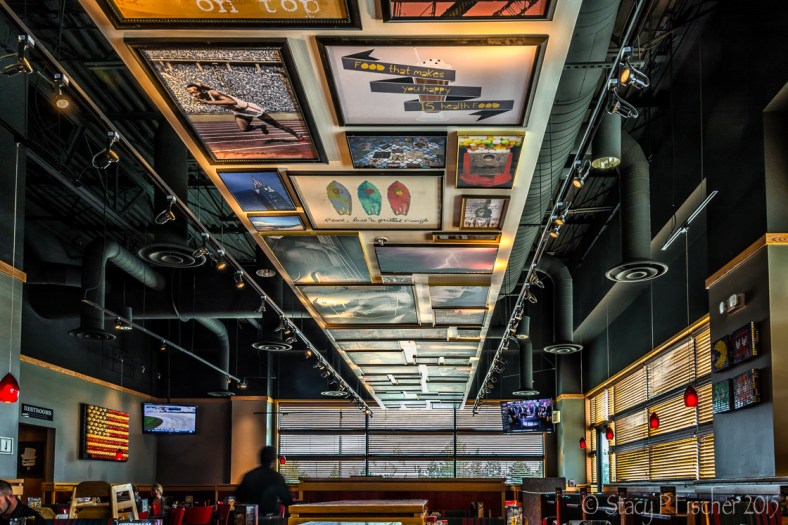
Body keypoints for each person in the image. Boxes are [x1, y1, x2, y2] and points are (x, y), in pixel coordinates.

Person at [185, 83, 303, 141]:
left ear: (199, 89)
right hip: (238, 112)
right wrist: (202, 99)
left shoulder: (213, 93)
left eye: (193, 91)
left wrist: (207, 103)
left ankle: (297, 135)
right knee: (244, 129)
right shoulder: (203, 96)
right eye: (190, 92)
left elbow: (231, 102)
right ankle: (261, 126)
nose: (192, 94)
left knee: (276, 125)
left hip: (248, 109)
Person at [236, 446, 293, 516]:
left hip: (251, 518)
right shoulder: (277, 477)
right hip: (271, 520)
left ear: (260, 458)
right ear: (273, 460)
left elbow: (239, 497)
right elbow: (288, 500)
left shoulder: (249, 476)